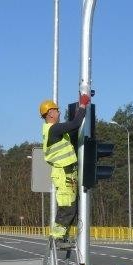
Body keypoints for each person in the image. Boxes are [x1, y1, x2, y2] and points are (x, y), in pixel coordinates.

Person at [39, 93, 90, 240]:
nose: (59, 112)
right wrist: (82, 105)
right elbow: (75, 124)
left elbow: (72, 129)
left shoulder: (55, 131)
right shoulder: (53, 129)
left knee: (72, 206)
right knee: (67, 206)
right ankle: (58, 235)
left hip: (68, 173)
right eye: (57, 110)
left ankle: (62, 234)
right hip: (63, 173)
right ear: (50, 113)